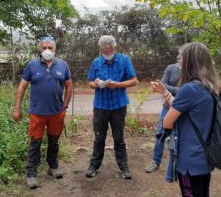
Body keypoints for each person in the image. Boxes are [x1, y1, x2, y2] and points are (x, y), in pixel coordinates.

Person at [152, 42, 221, 196]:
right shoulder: (211, 85)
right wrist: (165, 92)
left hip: (189, 159)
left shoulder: (190, 88)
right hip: (205, 154)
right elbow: (185, 107)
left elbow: (167, 121)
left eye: (181, 59)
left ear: (190, 62)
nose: (179, 62)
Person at [13, 36, 72, 189]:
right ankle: (31, 174)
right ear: (40, 49)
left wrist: (64, 107)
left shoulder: (63, 65)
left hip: (56, 112)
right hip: (37, 113)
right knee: (35, 143)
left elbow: (69, 87)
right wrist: (17, 109)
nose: (47, 50)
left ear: (55, 49)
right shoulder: (32, 66)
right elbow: (22, 88)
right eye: (44, 48)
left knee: (54, 141)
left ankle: (53, 167)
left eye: (50, 48)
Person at [86, 35, 137, 179]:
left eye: (109, 51)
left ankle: (123, 166)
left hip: (118, 105)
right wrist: (96, 84)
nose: (107, 54)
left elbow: (134, 80)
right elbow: (90, 82)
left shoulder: (124, 60)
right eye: (104, 52)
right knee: (99, 137)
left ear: (115, 48)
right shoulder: (96, 62)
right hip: (100, 106)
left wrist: (118, 85)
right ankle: (94, 165)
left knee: (119, 137)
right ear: (101, 50)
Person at [145, 49, 182, 181]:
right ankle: (156, 161)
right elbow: (162, 84)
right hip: (167, 107)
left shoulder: (193, 72)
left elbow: (186, 90)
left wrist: (167, 89)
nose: (181, 60)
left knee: (181, 137)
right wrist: (167, 89)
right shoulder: (171, 68)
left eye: (183, 57)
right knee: (160, 134)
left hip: (184, 110)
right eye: (180, 57)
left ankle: (177, 165)